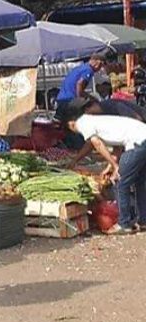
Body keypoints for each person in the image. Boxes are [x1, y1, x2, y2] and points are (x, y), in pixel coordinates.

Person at [60, 97, 146, 235]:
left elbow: (98, 144)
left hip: (137, 142)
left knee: (119, 181)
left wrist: (115, 166)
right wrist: (76, 161)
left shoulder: (83, 123)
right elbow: (96, 145)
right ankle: (143, 221)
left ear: (71, 124)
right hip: (141, 137)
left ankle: (124, 223)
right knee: (139, 182)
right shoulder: (93, 121)